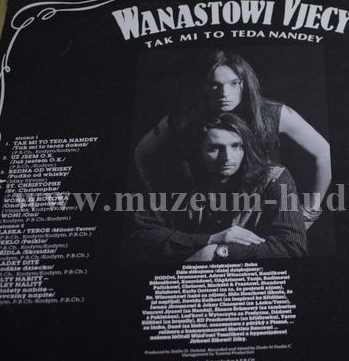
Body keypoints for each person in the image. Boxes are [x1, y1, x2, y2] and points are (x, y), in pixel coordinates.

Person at [134, 50, 331, 228]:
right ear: (204, 86)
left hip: (262, 213)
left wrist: (309, 213)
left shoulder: (273, 113)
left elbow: (324, 152)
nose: (224, 94)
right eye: (215, 85)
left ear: (244, 83)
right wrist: (162, 206)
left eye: (233, 83)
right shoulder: (186, 117)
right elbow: (143, 153)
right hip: (205, 215)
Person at [132, 113, 307, 262]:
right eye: (215, 148)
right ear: (198, 151)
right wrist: (210, 240)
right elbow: (141, 234)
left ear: (246, 148)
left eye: (236, 146)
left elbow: (292, 247)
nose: (227, 157)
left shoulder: (275, 178)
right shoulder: (177, 178)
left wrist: (217, 252)